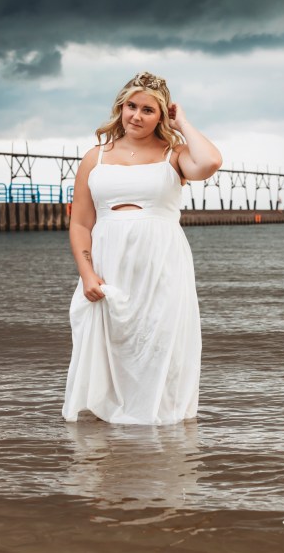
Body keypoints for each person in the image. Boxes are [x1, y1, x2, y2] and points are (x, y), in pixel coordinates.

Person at [63, 71, 222, 425]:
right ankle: (114, 434)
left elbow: (210, 162)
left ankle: (158, 432)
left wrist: (183, 124)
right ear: (120, 107)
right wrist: (87, 273)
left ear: (162, 115)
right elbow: (81, 224)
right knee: (112, 348)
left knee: (159, 345)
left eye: (148, 110)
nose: (136, 116)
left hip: (162, 266)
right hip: (108, 265)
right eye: (131, 106)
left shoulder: (174, 155)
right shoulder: (94, 158)